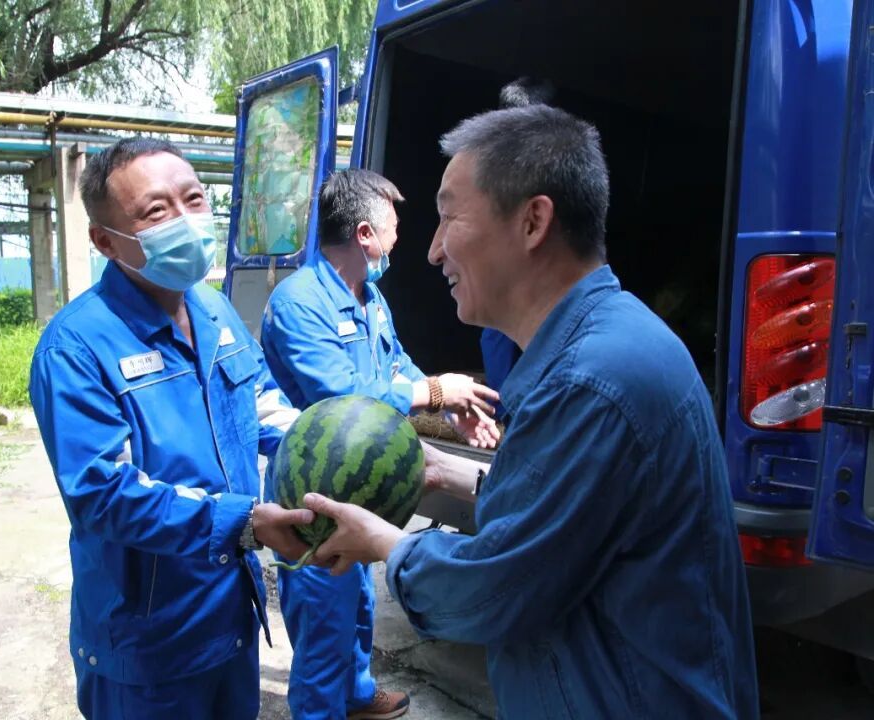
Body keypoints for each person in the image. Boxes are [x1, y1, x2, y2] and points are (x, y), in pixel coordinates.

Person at [302, 96, 759, 718]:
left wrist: (385, 543)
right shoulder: (600, 345)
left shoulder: (591, 381)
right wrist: (445, 470)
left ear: (533, 222)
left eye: (448, 218)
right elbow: (565, 512)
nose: (433, 251)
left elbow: (492, 589)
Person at [28, 137, 312, 720]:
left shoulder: (213, 309)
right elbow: (104, 495)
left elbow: (260, 403)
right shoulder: (76, 347)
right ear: (105, 241)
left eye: (195, 199)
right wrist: (246, 522)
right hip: (147, 642)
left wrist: (331, 441)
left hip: (229, 613)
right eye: (157, 211)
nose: (186, 220)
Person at [260, 169, 501, 720]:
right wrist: (433, 391)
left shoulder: (369, 297)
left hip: (361, 487)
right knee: (322, 616)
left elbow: (397, 364)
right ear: (365, 234)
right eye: (393, 229)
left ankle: (357, 694)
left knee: (359, 598)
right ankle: (321, 709)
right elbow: (341, 397)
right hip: (313, 490)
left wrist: (444, 402)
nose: (400, 241)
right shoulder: (299, 303)